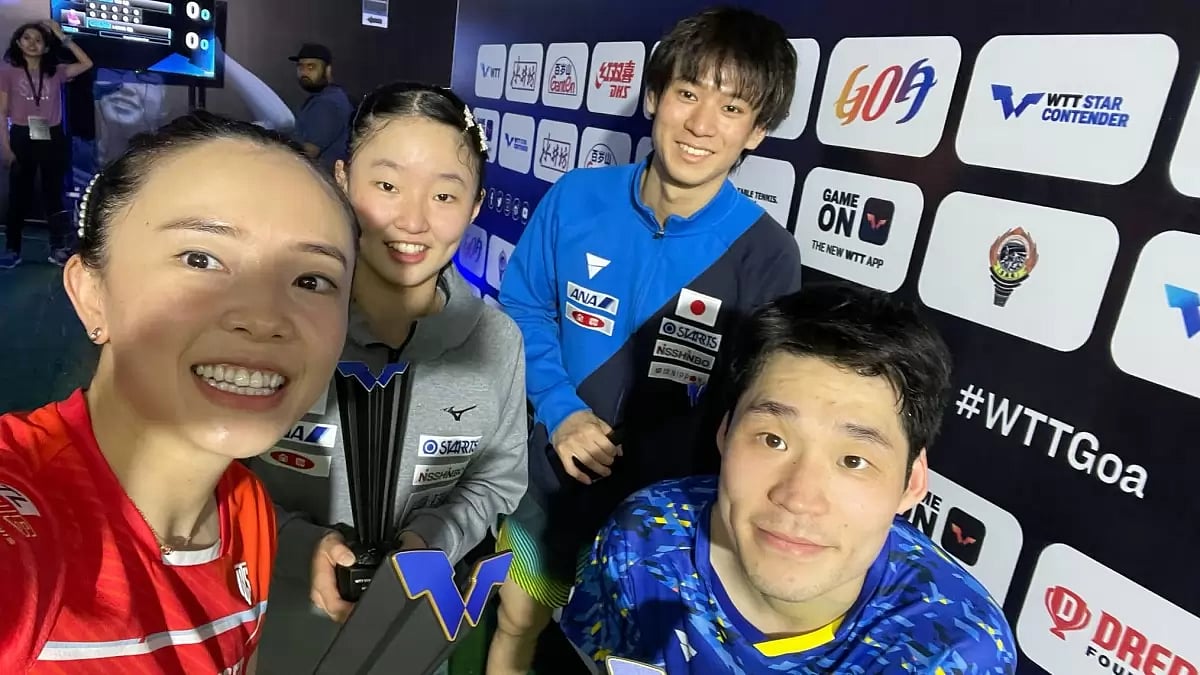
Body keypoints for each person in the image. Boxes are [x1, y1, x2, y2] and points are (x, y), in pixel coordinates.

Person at [488, 7, 803, 672]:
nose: (701, 124)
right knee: (516, 627)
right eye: (688, 93)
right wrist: (562, 409)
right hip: (549, 482)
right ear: (655, 97)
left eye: (732, 106)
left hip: (666, 524)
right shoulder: (577, 196)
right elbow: (521, 305)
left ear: (756, 132)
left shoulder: (766, 253)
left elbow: (761, 401)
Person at [0, 111, 358, 673]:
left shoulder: (248, 510)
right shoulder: (20, 515)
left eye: (311, 280)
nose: (265, 318)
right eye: (201, 259)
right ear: (92, 294)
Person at [560, 283, 1019, 674]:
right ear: (724, 434)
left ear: (911, 484)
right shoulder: (643, 532)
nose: (798, 498)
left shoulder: (956, 650)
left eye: (853, 460)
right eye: (772, 440)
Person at [248, 82, 528, 673]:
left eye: (445, 195)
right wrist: (300, 547)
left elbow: (498, 480)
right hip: (265, 622)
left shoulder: (496, 341)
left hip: (410, 635)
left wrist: (432, 541)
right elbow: (206, 473)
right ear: (342, 181)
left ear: (476, 207)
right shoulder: (272, 323)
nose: (413, 220)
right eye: (387, 185)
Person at [0, 19, 92, 270]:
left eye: (38, 40)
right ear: (18, 43)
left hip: (52, 137)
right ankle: (12, 249)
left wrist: (60, 35)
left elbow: (86, 63)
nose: (32, 43)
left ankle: (58, 248)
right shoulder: (8, 72)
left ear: (46, 47)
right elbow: (2, 112)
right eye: (27, 38)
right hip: (21, 135)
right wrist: (5, 146)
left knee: (54, 195)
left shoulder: (56, 71)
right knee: (19, 195)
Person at [288, 43, 353, 174]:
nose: (304, 73)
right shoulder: (329, 97)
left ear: (328, 70)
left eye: (311, 67)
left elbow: (308, 152)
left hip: (320, 182)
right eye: (300, 67)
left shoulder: (327, 103)